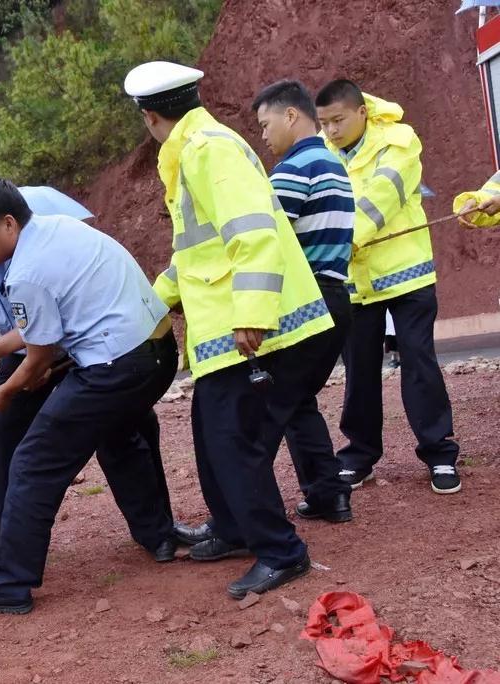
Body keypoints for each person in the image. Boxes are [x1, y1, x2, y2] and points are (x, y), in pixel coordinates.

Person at [125, 61, 335, 598]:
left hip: (256, 328)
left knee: (234, 442)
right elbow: (196, 253)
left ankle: (281, 552)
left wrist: (253, 312)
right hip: (223, 333)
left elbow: (253, 232)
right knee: (210, 433)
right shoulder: (192, 152)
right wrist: (148, 307)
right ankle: (235, 530)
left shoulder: (207, 150)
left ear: (150, 117)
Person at [0, 186, 176, 589]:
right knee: (7, 437)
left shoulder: (21, 256)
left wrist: (9, 379)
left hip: (77, 351)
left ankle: (156, 534)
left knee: (104, 437)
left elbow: (46, 329)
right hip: (51, 351)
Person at [315, 79, 461, 494]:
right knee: (359, 371)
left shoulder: (399, 140)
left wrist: (341, 241)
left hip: (406, 275)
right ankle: (359, 456)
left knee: (418, 363)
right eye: (324, 123)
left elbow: (384, 195)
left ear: (361, 111)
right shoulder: (323, 152)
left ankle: (439, 454)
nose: (331, 131)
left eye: (338, 120)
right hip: (355, 283)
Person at [251, 79, 355, 523]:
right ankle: (328, 494)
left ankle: (244, 518)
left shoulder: (293, 170)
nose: (263, 135)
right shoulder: (331, 164)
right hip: (336, 298)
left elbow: (264, 238)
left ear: (290, 115)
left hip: (306, 302)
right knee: (297, 402)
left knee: (263, 412)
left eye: (265, 123)